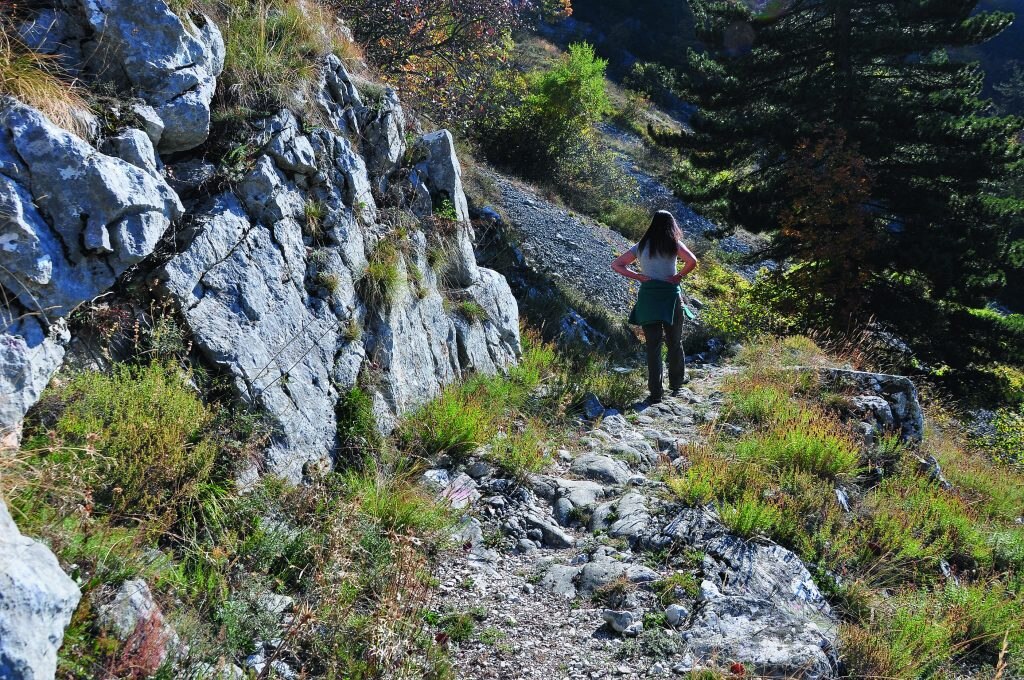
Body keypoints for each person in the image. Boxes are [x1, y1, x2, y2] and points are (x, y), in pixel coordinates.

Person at [611, 210, 698, 404]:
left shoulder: (641, 246)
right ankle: (676, 384)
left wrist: (638, 276)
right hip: (670, 297)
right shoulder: (674, 244)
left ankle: (655, 393)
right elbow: (692, 261)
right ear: (671, 225)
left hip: (648, 298)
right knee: (675, 343)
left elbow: (617, 265)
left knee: (653, 347)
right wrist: (679, 276)